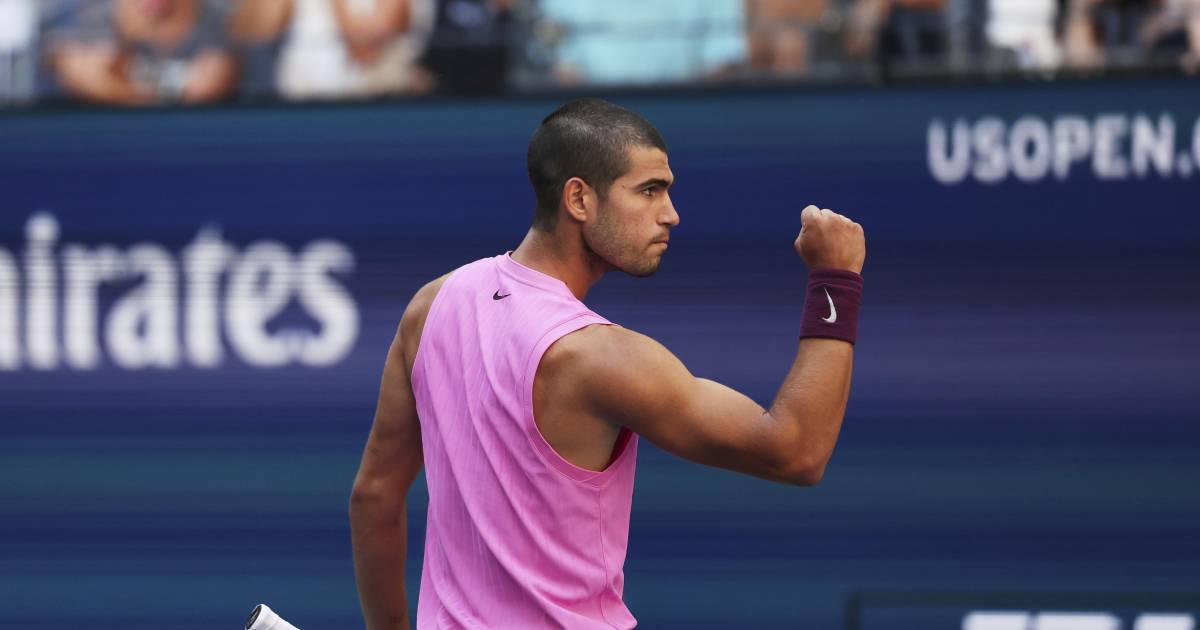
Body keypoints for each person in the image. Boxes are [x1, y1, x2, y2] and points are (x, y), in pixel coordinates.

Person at [349, 98, 866, 629]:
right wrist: (836, 279)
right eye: (649, 190)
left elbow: (375, 496)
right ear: (579, 198)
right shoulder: (596, 355)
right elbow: (797, 451)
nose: (671, 213)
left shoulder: (431, 305)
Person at [51, 0, 237, 106]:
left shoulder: (224, 22)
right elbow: (84, 76)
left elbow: (208, 85)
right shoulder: (85, 20)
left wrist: (121, 79)